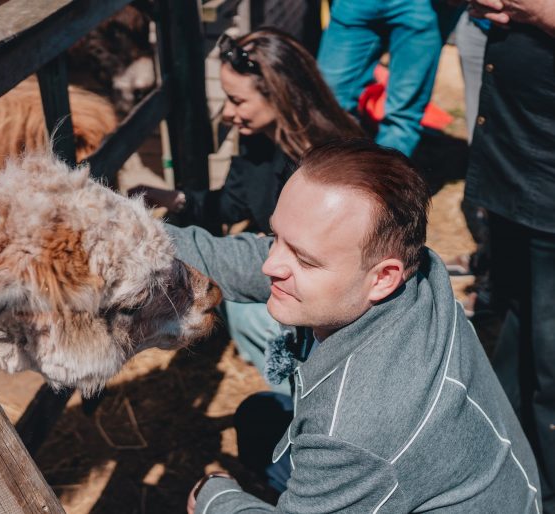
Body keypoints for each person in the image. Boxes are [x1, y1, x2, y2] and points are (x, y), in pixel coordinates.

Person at [168, 140, 541, 513]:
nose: (270, 265)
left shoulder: (354, 427)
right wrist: (148, 242)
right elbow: (252, 259)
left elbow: (354, 434)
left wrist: (215, 498)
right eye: (275, 238)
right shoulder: (410, 269)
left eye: (304, 260)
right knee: (260, 419)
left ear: (383, 278)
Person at [131, 28, 362, 394]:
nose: (227, 113)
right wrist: (170, 197)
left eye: (237, 100)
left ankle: (307, 392)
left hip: (329, 300)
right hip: (283, 274)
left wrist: (275, 244)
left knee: (241, 308)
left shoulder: (336, 162)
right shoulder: (259, 143)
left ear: (279, 95)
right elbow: (232, 203)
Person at [462, 0, 555, 510]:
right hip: (511, 155)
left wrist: (536, 9)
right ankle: (503, 476)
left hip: (547, 176)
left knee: (550, 363)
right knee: (515, 327)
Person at [316, 0, 463, 156]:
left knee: (402, 114)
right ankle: (330, 164)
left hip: (424, 6)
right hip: (357, 4)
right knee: (328, 99)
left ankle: (380, 170)